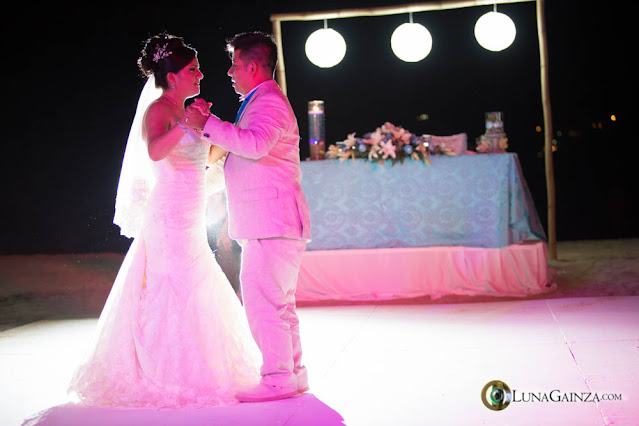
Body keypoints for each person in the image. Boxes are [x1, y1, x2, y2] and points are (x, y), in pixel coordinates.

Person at [67, 33, 260, 408]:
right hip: (168, 219)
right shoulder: (159, 109)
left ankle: (203, 367)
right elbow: (155, 151)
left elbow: (201, 164)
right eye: (194, 69)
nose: (201, 75)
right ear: (172, 77)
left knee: (197, 285)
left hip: (189, 217)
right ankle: (163, 374)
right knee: (170, 288)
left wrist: (210, 132)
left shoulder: (187, 110)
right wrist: (186, 125)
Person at [184, 31, 311, 403]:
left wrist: (206, 123)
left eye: (235, 64)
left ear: (252, 66)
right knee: (280, 305)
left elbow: (254, 144)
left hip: (271, 222)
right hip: (274, 221)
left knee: (263, 304)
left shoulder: (269, 101)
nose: (229, 72)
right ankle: (293, 374)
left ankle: (277, 379)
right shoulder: (261, 99)